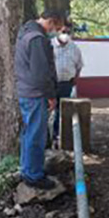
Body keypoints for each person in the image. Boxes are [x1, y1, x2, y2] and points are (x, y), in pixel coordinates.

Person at [14, 10, 65, 190]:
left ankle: (27, 168)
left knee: (29, 133)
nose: (56, 32)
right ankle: (33, 175)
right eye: (56, 28)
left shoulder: (25, 32)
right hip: (35, 94)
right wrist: (51, 95)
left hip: (26, 91)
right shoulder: (37, 39)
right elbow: (41, 73)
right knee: (36, 135)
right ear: (51, 22)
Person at [51, 20, 84, 145]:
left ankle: (58, 136)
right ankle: (46, 139)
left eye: (68, 32)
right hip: (51, 84)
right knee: (47, 111)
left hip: (66, 84)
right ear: (57, 31)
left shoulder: (74, 48)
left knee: (62, 111)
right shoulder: (49, 46)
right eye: (63, 31)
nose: (66, 34)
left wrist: (76, 78)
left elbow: (79, 65)